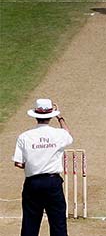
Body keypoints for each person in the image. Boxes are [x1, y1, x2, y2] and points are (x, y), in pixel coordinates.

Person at [13, 98, 73, 236]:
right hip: (52, 183)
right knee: (58, 223)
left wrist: (34, 164)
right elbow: (68, 135)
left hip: (33, 183)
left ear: (35, 115)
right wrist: (60, 117)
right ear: (51, 115)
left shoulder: (24, 136)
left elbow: (18, 163)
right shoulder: (58, 134)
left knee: (30, 223)